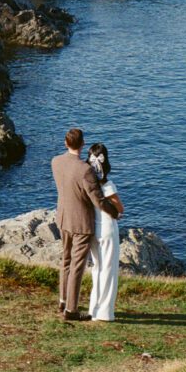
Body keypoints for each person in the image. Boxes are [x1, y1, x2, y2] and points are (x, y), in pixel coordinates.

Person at [51, 128, 112, 321]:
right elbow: (98, 200)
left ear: (65, 143)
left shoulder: (56, 162)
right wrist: (116, 212)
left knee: (66, 261)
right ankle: (71, 310)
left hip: (63, 218)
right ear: (83, 144)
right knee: (77, 266)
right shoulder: (85, 170)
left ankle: (63, 300)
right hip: (81, 223)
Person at [86, 143, 124, 322]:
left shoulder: (87, 184)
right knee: (108, 269)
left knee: (97, 268)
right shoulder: (108, 185)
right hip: (107, 228)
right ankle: (105, 312)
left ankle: (93, 308)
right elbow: (120, 208)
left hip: (92, 228)